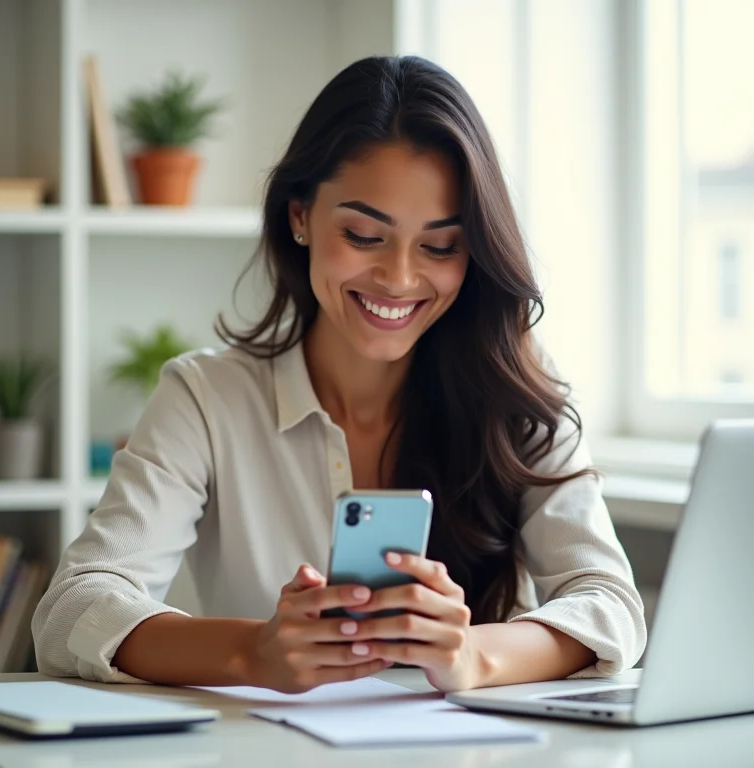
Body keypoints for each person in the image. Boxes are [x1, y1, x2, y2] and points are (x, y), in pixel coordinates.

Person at [32, 55, 646, 694]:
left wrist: (471, 657)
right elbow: (70, 611)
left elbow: (610, 604)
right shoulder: (206, 398)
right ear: (299, 215)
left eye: (440, 246)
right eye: (363, 234)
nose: (400, 279)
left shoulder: (515, 388)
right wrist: (253, 652)